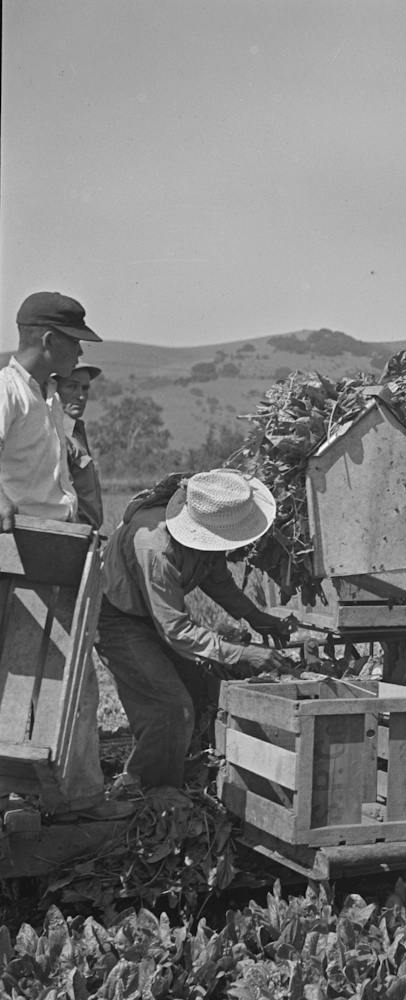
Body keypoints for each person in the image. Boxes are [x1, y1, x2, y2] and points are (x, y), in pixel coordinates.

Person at [97, 468, 295, 792]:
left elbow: (216, 580)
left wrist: (257, 617)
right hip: (119, 619)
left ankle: (186, 768)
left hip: (157, 616)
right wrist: (243, 653)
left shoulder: (206, 537)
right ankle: (146, 789)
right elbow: (174, 629)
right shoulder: (154, 545)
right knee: (170, 705)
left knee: (197, 688)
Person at [0, 291, 102, 531]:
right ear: (49, 341)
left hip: (54, 534)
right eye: (75, 342)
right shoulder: (7, 390)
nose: (80, 353)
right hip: (19, 534)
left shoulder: (51, 399)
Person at [53, 364, 104, 530]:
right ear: (54, 389)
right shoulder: (55, 435)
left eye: (85, 388)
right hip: (69, 534)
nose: (81, 396)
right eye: (72, 387)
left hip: (85, 535)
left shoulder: (77, 434)